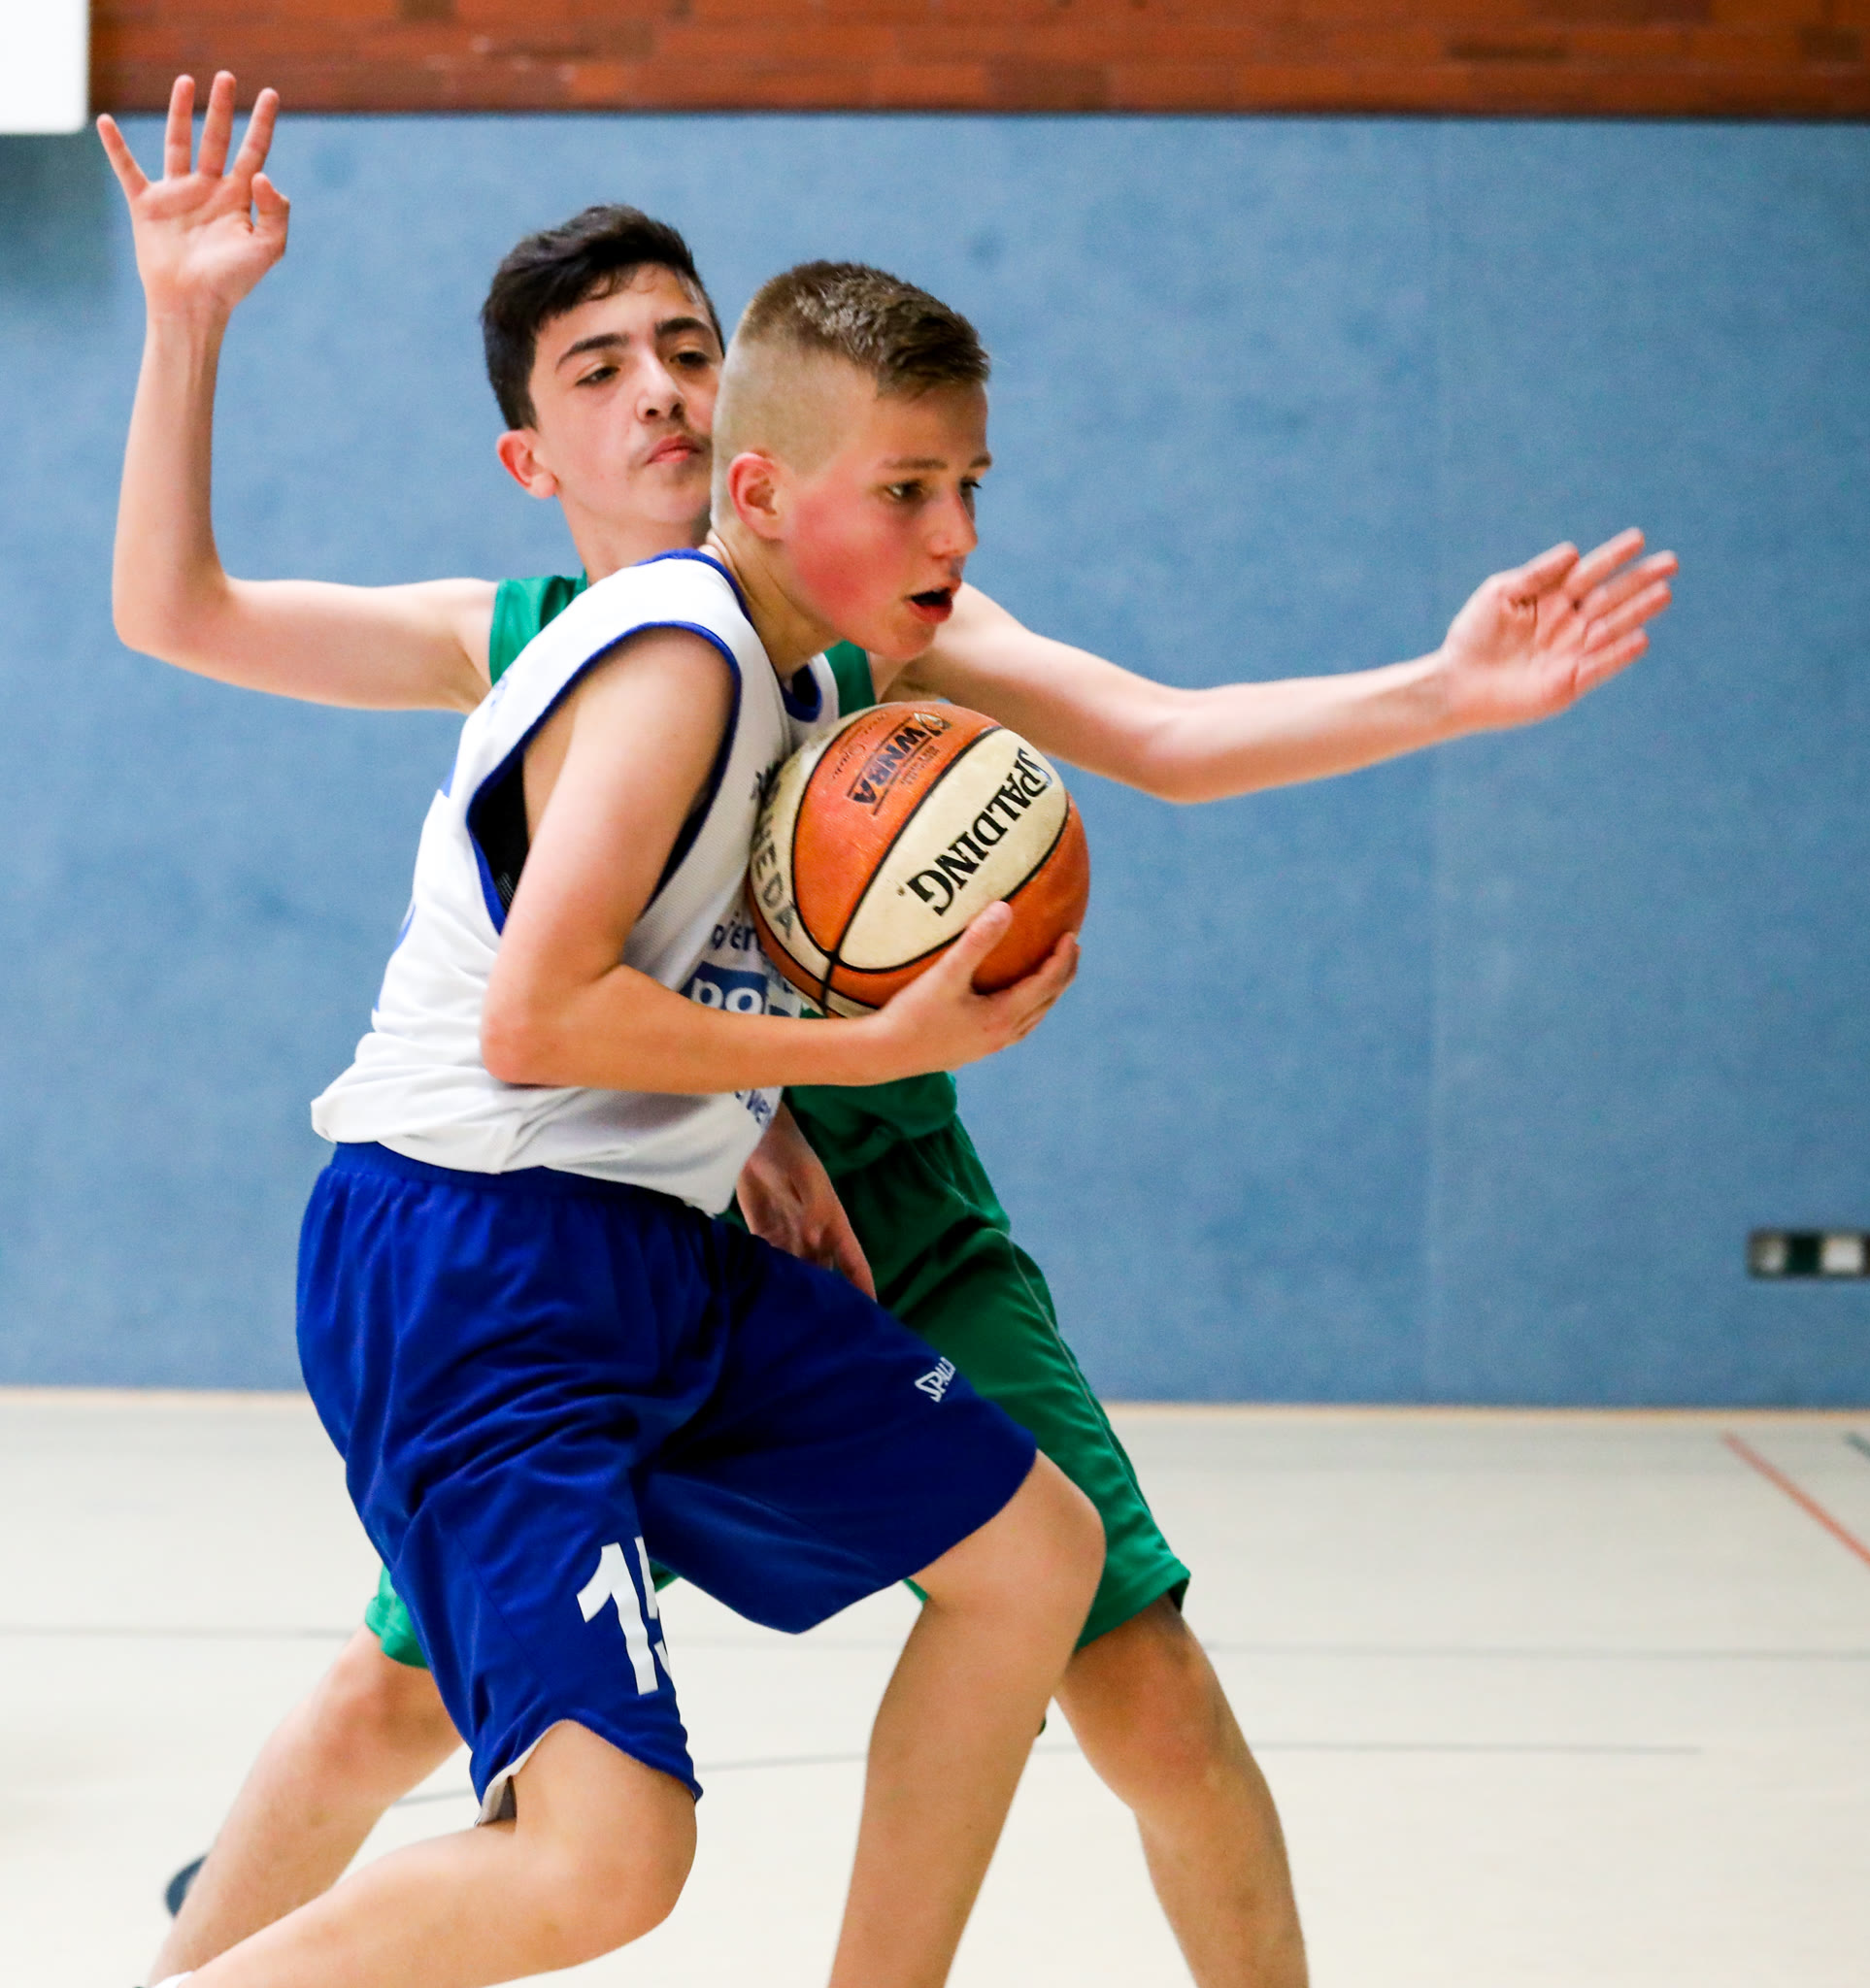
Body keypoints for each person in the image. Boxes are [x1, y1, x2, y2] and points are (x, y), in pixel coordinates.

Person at [101, 75, 1676, 1988]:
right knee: (446, 1738)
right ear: (534, 453)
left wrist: (1443, 687)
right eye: (604, 367)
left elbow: (1162, 734)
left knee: (1083, 1612)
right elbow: (489, 953)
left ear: (750, 415)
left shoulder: (868, 619)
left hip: (832, 1205)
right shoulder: (583, 641)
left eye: (691, 346)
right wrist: (184, 322)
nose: (664, 392)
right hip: (541, 1218)